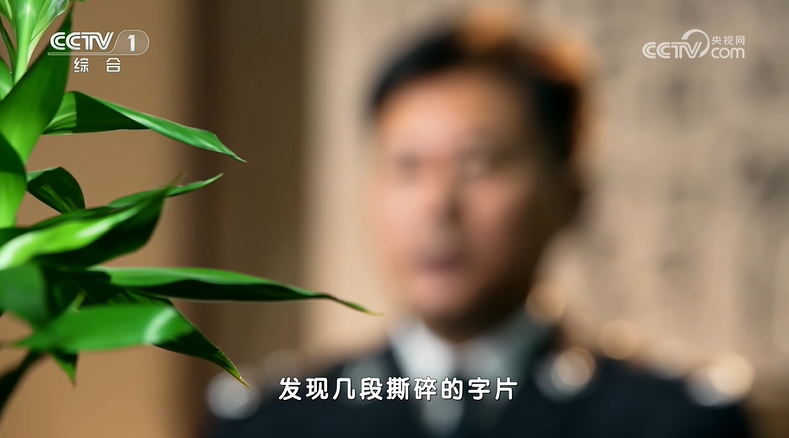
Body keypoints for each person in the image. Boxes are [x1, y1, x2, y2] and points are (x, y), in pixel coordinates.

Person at [208, 5, 753, 438]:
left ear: (571, 196)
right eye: (407, 166)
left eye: (479, 164)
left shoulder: (671, 422)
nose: (437, 204)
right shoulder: (275, 421)